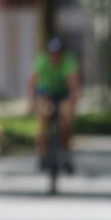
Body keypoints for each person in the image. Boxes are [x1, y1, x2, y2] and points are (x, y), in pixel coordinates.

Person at [29, 37, 80, 172]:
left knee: (66, 121)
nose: (55, 56)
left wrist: (72, 106)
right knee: (43, 120)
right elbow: (32, 83)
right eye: (52, 53)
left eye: (57, 53)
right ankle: (42, 155)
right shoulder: (42, 61)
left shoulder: (68, 62)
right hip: (46, 93)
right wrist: (33, 103)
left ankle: (66, 154)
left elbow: (74, 86)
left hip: (63, 93)